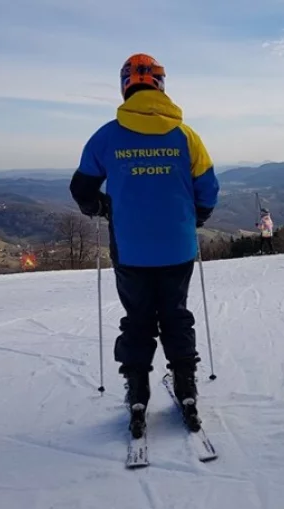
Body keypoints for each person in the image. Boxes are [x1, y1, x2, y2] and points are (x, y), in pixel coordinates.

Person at [69, 53, 220, 435]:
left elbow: (81, 190)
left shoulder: (106, 135)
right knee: (176, 314)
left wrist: (103, 207)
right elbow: (208, 190)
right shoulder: (186, 137)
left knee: (138, 320)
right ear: (161, 86)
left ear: (125, 86)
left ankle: (138, 394)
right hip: (178, 247)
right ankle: (186, 386)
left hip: (132, 251)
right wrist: (196, 216)